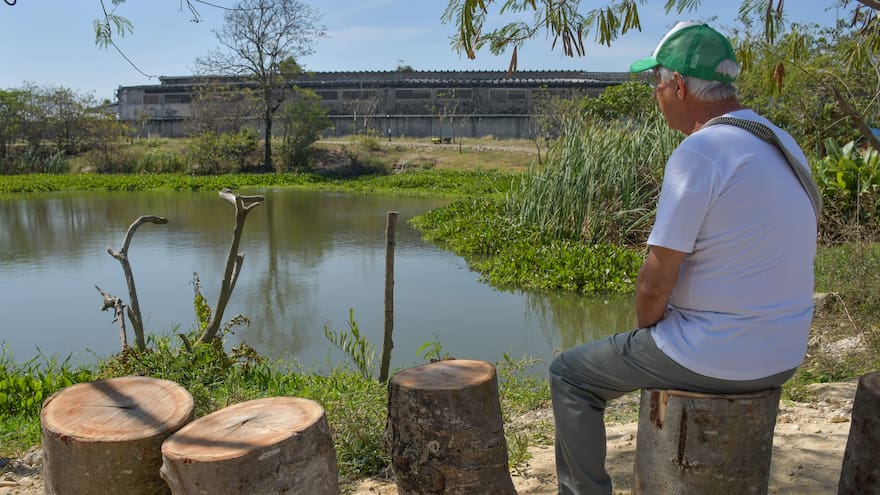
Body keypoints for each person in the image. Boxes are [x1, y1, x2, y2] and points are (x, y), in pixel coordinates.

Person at [549, 21, 818, 495]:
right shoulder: (780, 141)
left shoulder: (702, 151)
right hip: (785, 352)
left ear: (677, 84)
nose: (656, 94)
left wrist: (647, 333)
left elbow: (654, 282)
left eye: (656, 83)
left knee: (570, 375)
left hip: (717, 356)